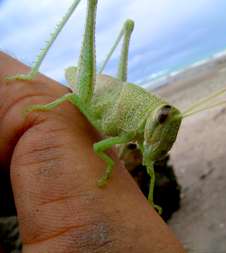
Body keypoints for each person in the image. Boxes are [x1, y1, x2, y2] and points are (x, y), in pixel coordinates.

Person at [0, 52, 186, 253]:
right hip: (91, 92)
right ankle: (29, 75)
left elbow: (149, 161)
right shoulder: (134, 119)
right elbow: (96, 143)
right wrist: (109, 166)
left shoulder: (143, 125)